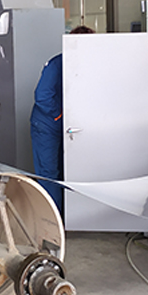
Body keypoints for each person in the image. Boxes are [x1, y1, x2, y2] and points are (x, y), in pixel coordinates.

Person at [30, 25, 95, 211]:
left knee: (70, 169)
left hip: (69, 125)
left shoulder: (90, 63)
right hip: (47, 125)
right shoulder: (57, 64)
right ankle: (53, 219)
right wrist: (60, 116)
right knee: (49, 173)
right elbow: (42, 96)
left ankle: (70, 214)